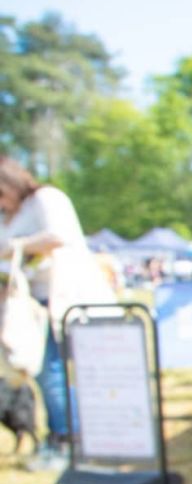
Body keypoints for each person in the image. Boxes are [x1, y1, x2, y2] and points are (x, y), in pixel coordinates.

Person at [0, 157, 103, 468]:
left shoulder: (45, 199)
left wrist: (17, 247)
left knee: (53, 372)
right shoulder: (8, 215)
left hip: (60, 297)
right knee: (42, 372)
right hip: (27, 305)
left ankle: (67, 438)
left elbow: (59, 236)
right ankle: (64, 434)